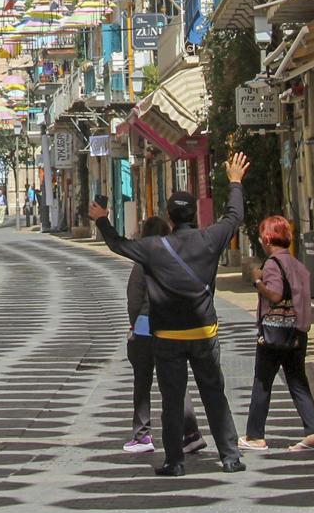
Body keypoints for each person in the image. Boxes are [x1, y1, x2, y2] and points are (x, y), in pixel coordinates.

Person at [90, 149, 250, 477]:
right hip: (203, 334)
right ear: (195, 214)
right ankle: (230, 457)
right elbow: (234, 217)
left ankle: (174, 461)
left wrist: (102, 217)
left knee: (172, 400)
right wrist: (235, 182)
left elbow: (117, 244)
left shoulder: (153, 248)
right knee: (214, 395)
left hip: (167, 338)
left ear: (169, 216)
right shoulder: (209, 239)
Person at [121, 214, 206, 457]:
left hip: (146, 330)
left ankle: (142, 434)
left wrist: (133, 324)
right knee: (177, 382)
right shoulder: (175, 261)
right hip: (171, 328)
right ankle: (191, 433)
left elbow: (134, 301)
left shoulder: (142, 264)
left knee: (143, 382)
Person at [239, 216, 314, 452]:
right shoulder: (298, 265)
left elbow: (275, 295)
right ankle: (312, 430)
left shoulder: (272, 264)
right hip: (297, 331)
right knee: (298, 380)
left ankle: (255, 435)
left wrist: (257, 281)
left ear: (267, 238)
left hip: (274, 333)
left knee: (262, 382)